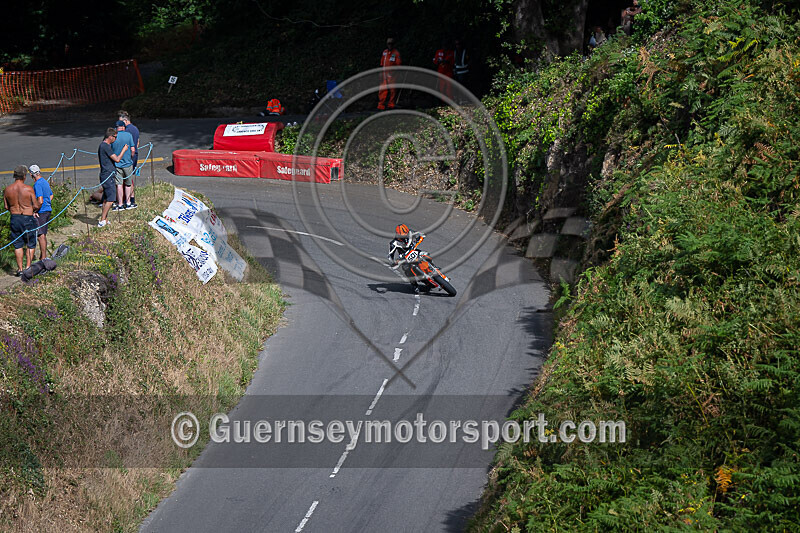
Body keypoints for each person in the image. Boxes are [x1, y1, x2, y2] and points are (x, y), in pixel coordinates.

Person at [3, 166, 41, 275]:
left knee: (18, 244)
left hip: (15, 218)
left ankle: (20, 269)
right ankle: (28, 267)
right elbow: (36, 204)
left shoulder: (8, 189)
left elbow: (6, 206)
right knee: (30, 243)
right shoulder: (28, 189)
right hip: (27, 217)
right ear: (24, 176)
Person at [97, 127, 128, 227]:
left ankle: (105, 219)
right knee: (111, 199)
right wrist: (124, 150)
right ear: (110, 137)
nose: (115, 139)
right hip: (107, 175)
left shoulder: (103, 146)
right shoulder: (105, 146)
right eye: (115, 137)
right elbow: (117, 159)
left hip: (106, 174)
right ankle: (102, 220)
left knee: (106, 199)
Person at [29, 165, 53, 260]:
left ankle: (43, 257)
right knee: (43, 233)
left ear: (31, 174)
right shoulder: (44, 182)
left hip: (41, 212)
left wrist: (35, 210)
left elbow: (40, 200)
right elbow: (51, 195)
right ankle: (43, 256)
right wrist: (47, 204)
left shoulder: (37, 184)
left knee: (40, 235)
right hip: (47, 210)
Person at [111, 120, 135, 210]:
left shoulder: (114, 136)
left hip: (117, 164)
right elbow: (133, 149)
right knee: (128, 184)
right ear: (124, 127)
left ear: (117, 127)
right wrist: (130, 157)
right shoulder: (128, 135)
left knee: (119, 185)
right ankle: (128, 203)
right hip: (127, 163)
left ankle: (120, 204)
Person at [118, 110, 140, 208]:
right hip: (135, 155)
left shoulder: (126, 131)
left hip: (127, 157)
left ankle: (126, 199)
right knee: (130, 178)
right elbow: (137, 142)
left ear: (125, 121)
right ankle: (131, 198)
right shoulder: (135, 129)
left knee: (126, 179)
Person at [378, 38, 402, 110]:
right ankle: (381, 105)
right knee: (382, 89)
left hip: (392, 75)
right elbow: (382, 63)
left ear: (393, 44)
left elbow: (398, 65)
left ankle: (391, 104)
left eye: (391, 44)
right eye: (388, 44)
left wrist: (394, 73)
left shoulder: (396, 53)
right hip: (384, 74)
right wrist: (381, 72)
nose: (390, 45)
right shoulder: (384, 52)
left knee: (392, 90)